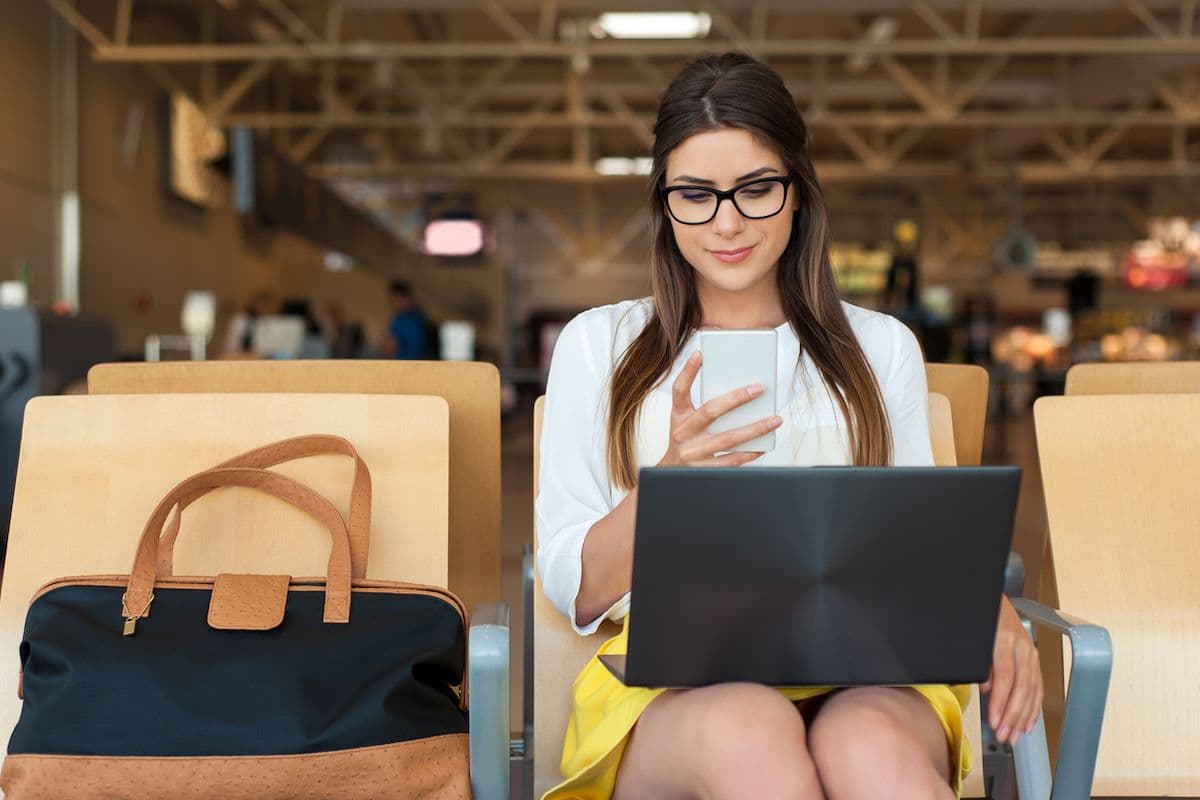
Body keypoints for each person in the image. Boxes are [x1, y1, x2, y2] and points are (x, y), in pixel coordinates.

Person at [536, 53, 1042, 800]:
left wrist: (989, 608)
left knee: (873, 751)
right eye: (696, 195)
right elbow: (574, 590)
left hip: (871, 666)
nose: (728, 222)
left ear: (799, 192)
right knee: (751, 733)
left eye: (756, 189)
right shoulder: (599, 345)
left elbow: (922, 532)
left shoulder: (879, 348)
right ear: (664, 202)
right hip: (671, 684)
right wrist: (669, 486)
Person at [222, 290, 280, 356]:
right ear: (255, 304)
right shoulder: (241, 319)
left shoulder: (273, 321)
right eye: (263, 304)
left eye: (269, 305)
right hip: (242, 358)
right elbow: (231, 345)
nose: (265, 308)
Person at [385, 280, 426, 359]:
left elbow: (390, 346)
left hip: (407, 362)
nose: (394, 303)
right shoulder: (419, 316)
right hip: (415, 363)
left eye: (397, 300)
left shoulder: (404, 320)